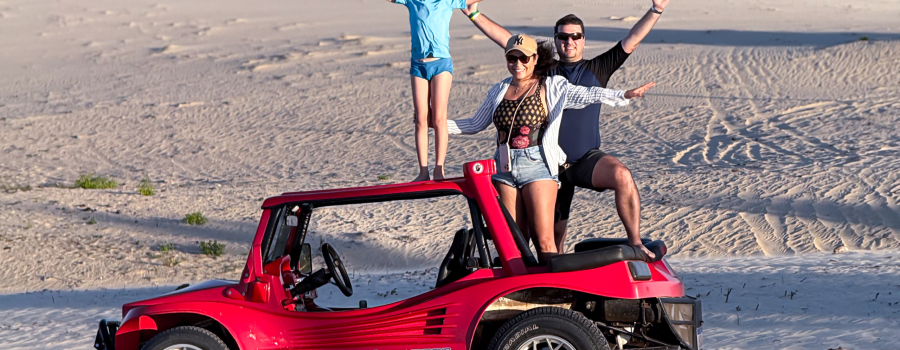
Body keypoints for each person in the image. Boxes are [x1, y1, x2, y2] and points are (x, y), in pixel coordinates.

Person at [460, 1, 670, 258]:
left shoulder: (598, 68)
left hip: (584, 160)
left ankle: (635, 242)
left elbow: (632, 40)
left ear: (583, 40)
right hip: (547, 164)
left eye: (575, 36)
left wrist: (656, 10)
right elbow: (509, 41)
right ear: (555, 40)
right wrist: (474, 14)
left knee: (621, 175)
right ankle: (549, 277)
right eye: (563, 37)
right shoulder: (544, 71)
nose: (569, 41)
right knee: (551, 238)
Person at [387, 0, 485, 182]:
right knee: (421, 119)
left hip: (441, 65)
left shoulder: (447, 1)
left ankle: (439, 169)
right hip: (418, 65)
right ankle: (423, 172)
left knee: (439, 118)